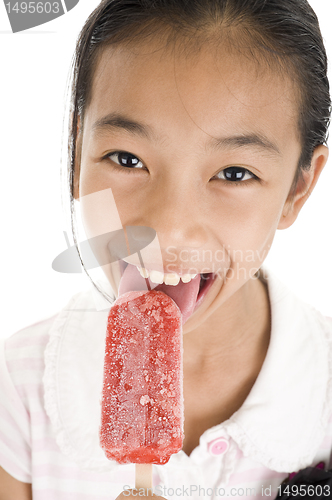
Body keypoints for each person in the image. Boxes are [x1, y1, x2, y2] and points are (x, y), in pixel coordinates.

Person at [1, 0, 332, 498]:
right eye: (127, 158)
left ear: (296, 191)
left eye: (235, 173)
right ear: (75, 154)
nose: (168, 229)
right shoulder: (20, 385)